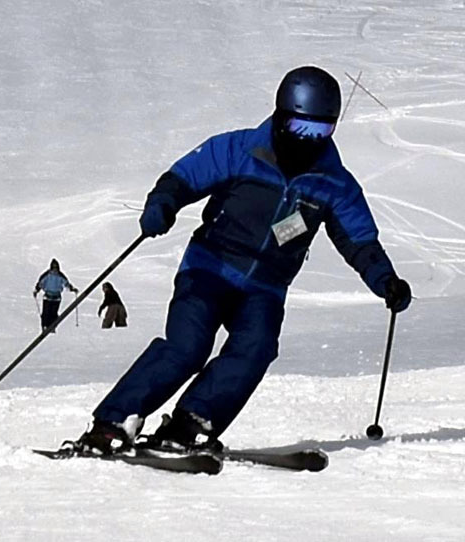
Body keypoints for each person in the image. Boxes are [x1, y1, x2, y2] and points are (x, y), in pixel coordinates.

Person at [77, 66, 413, 455]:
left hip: (266, 286)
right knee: (187, 347)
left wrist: (385, 280)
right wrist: (163, 203)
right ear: (281, 115)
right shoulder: (238, 150)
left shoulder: (334, 184)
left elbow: (361, 243)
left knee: (256, 348)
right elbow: (184, 176)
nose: (308, 140)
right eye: (301, 127)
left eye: (320, 131)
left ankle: (192, 423)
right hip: (210, 267)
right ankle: (112, 423)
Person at [33, 259, 79, 332]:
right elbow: (40, 283)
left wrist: (72, 289)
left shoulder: (60, 276)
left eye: (56, 268)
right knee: (46, 313)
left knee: (53, 313)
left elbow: (66, 284)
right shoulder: (47, 275)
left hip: (56, 297)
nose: (55, 270)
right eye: (54, 268)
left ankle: (52, 326)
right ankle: (44, 326)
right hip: (47, 297)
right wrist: (37, 290)